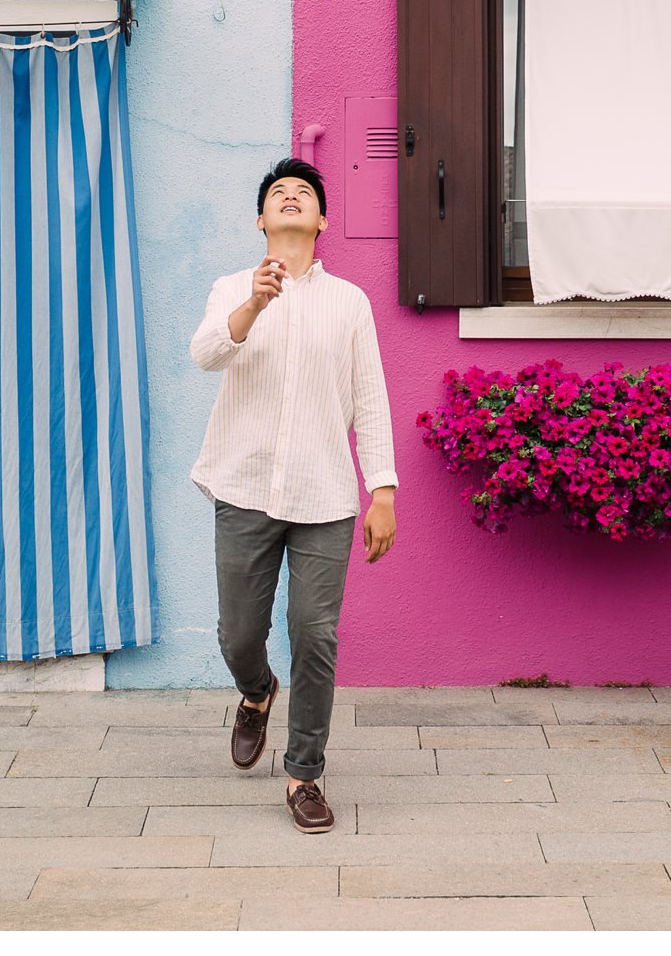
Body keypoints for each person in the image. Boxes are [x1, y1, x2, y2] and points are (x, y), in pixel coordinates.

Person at [189, 156, 398, 833]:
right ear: (260, 218)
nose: (289, 197)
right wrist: (254, 301)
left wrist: (384, 490)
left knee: (315, 633)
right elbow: (206, 354)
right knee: (239, 634)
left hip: (324, 496)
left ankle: (304, 770)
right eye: (277, 192)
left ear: (321, 219)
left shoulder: (350, 303)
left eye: (301, 192)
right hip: (243, 485)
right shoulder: (231, 287)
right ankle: (256, 691)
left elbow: (369, 396)